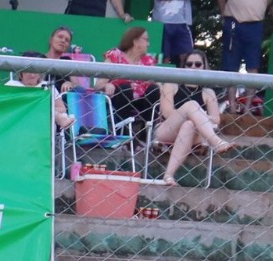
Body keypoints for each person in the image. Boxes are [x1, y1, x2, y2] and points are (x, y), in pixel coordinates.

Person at [152, 50, 236, 185]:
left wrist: (195, 117)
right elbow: (167, 113)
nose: (193, 67)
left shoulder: (208, 93)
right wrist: (192, 112)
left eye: (198, 64)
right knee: (192, 105)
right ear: (183, 66)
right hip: (168, 129)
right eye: (189, 64)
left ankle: (168, 176)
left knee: (189, 124)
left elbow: (216, 120)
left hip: (195, 134)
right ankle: (216, 142)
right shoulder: (171, 85)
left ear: (204, 67)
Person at [98, 25, 160, 133]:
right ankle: (123, 134)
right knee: (125, 88)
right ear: (135, 42)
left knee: (153, 90)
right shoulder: (116, 56)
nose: (148, 44)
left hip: (141, 101)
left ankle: (145, 135)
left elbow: (157, 84)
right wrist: (107, 84)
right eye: (146, 40)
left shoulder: (148, 61)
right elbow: (98, 84)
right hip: (119, 98)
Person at [220, 0, 273, 76]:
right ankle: (229, 83)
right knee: (230, 67)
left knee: (253, 66)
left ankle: (252, 84)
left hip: (254, 25)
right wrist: (223, 12)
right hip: (233, 22)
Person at [16, 52, 75, 131]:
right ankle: (58, 118)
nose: (32, 75)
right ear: (21, 72)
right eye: (28, 70)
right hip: (19, 121)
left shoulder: (48, 87)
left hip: (42, 125)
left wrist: (46, 109)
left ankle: (58, 117)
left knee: (49, 110)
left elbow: (62, 109)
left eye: (36, 71)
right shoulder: (11, 86)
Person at [154, 0, 194, 65]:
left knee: (187, 57)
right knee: (163, 57)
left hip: (183, 23)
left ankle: (184, 71)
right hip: (162, 22)